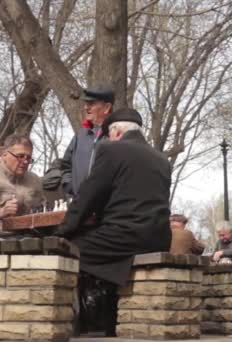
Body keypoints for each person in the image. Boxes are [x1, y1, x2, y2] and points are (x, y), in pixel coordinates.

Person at [55, 108, 171, 336]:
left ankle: (86, 323)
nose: (107, 139)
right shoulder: (161, 158)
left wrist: (62, 233)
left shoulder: (111, 149)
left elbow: (90, 194)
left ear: (116, 131)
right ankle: (106, 321)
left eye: (108, 134)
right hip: (158, 237)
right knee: (95, 245)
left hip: (125, 236)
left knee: (68, 251)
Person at [59, 85, 114, 198]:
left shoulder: (117, 135)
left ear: (107, 107)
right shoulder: (80, 136)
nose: (86, 107)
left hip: (107, 207)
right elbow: (65, 166)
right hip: (80, 204)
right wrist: (71, 186)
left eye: (91, 103)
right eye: (85, 103)